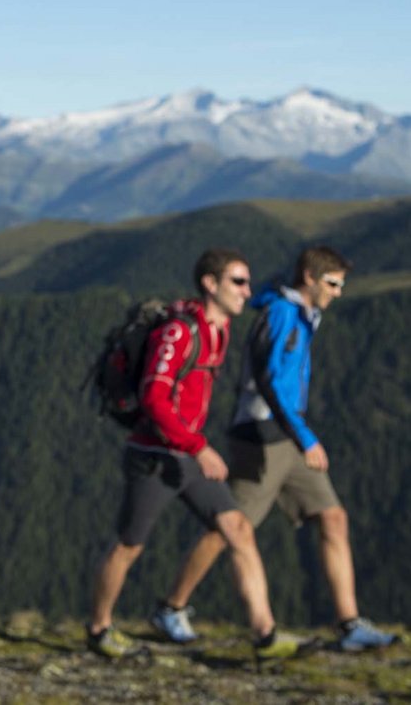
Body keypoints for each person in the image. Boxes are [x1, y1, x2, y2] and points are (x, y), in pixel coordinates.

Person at [158, 246, 396, 652]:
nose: (339, 293)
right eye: (333, 283)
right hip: (263, 437)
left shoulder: (301, 314)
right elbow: (269, 381)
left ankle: (350, 624)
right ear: (309, 278)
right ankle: (171, 607)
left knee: (333, 517)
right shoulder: (284, 315)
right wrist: (305, 437)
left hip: (285, 434)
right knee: (229, 527)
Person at [88, 248, 300, 660]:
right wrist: (197, 446)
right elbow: (153, 396)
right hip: (154, 457)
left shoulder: (218, 331)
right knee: (129, 545)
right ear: (210, 283)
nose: (246, 291)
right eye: (238, 281)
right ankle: (98, 629)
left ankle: (266, 635)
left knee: (237, 529)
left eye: (247, 282)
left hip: (187, 455)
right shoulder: (180, 332)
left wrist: (195, 447)